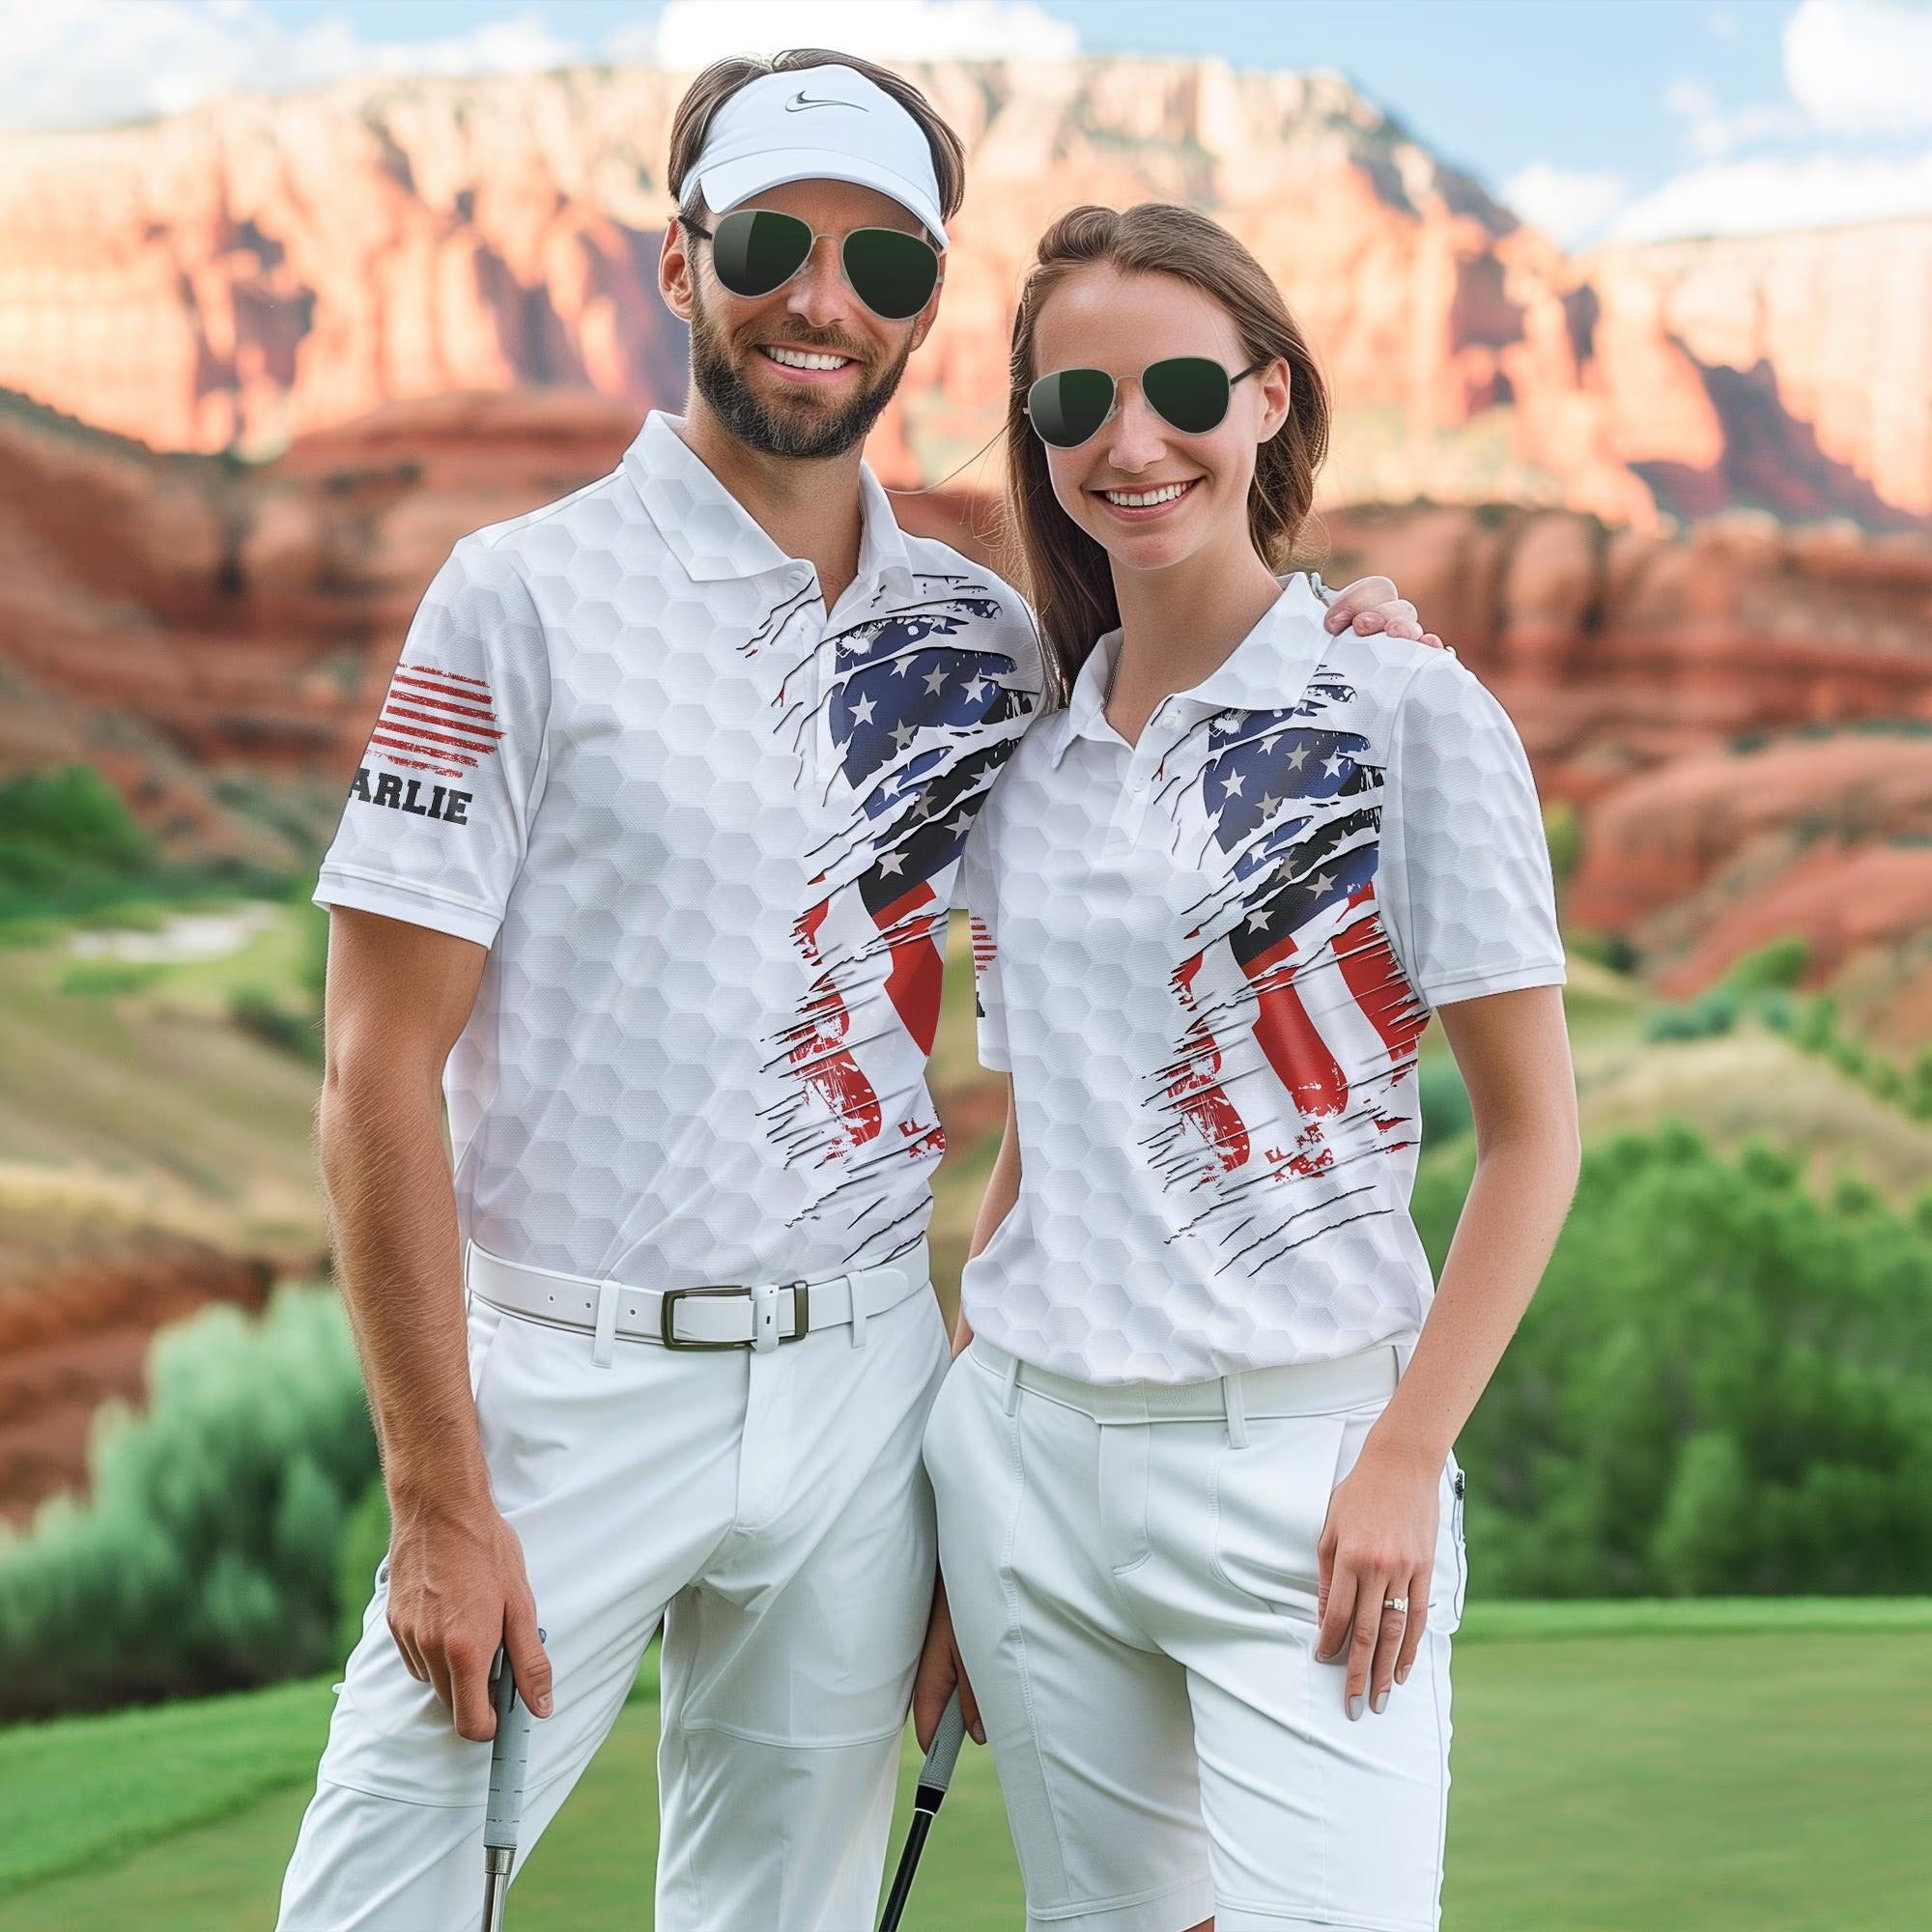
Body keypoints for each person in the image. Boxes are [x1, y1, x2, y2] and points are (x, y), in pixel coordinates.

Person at [273, 53, 1431, 1932]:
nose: (823, 300)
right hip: (563, 1388)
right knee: (377, 1900)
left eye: (882, 264)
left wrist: (1346, 642)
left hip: (868, 1391)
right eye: (774, 245)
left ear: (924, 305)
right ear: (682, 260)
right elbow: (370, 1066)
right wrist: (435, 1499)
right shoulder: (516, 598)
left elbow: (1155, 784)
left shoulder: (978, 636)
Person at [916, 201, 1582, 1932]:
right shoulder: (1031, 766)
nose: (1131, 443)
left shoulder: (1406, 715)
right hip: (1023, 1466)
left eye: (1183, 390)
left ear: (1269, 396)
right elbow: (1045, 1133)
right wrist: (956, 1465)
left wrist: (1406, 1457)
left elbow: (1535, 1142)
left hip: (1304, 1467)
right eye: (1077, 403)